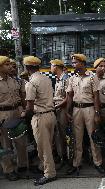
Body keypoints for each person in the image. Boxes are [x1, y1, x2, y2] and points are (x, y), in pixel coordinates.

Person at [65, 54, 105, 175]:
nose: (73, 65)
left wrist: (97, 113)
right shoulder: (72, 79)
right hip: (76, 109)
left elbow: (96, 97)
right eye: (72, 63)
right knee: (77, 138)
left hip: (89, 109)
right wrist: (67, 111)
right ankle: (76, 163)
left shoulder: (92, 78)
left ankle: (98, 162)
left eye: (75, 62)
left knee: (93, 137)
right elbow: (69, 96)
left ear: (82, 63)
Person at [24, 56, 57, 185]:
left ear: (27, 68)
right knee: (48, 144)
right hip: (51, 115)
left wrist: (24, 114)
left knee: (44, 147)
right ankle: (43, 167)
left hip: (40, 117)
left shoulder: (31, 83)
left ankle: (49, 173)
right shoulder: (46, 78)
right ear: (37, 66)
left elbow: (30, 106)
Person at [0, 56, 27, 181]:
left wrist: (22, 109)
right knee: (6, 144)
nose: (10, 66)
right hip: (3, 115)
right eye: (7, 65)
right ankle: (9, 169)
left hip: (17, 112)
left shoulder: (14, 81)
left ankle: (22, 165)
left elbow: (20, 97)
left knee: (21, 142)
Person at [50, 59, 69, 166]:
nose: (50, 68)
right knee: (59, 135)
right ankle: (62, 157)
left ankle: (67, 159)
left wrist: (56, 106)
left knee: (64, 134)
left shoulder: (65, 79)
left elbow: (67, 98)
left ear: (56, 66)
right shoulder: (58, 80)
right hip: (57, 109)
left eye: (51, 66)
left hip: (63, 109)